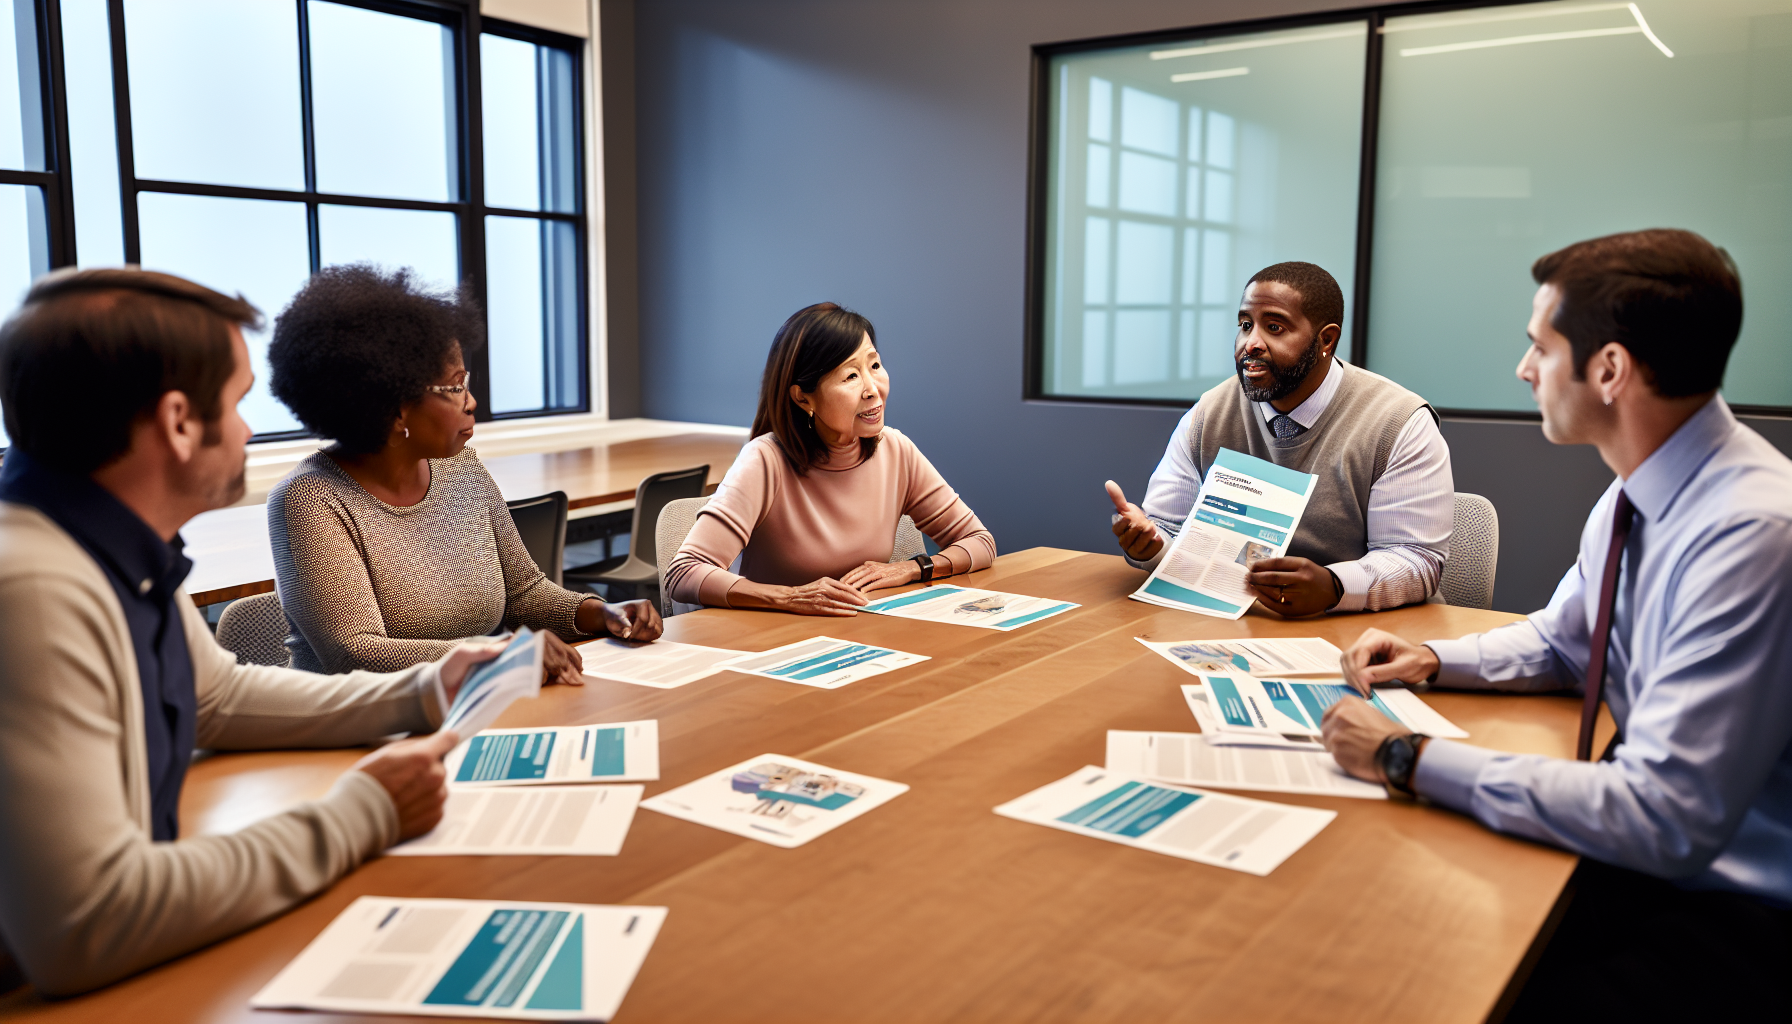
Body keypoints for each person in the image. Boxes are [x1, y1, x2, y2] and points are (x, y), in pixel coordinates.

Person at [1321, 229, 1792, 1020]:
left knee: (1432, 986)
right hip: (1653, 870)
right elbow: (1564, 639)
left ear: (1609, 370)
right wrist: (1431, 657)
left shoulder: (1753, 532)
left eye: (1540, 346)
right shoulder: (1636, 495)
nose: (1525, 370)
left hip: (1738, 912)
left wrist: (1407, 756)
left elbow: (1663, 815)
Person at [0, 268, 504, 995]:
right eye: (236, 404)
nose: (246, 428)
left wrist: (425, 688)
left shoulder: (101, 544)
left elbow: (218, 697)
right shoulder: (34, 588)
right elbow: (88, 921)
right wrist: (361, 814)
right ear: (179, 423)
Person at [265, 265, 660, 684]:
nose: (471, 402)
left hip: (468, 705)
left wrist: (601, 613)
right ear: (394, 404)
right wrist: (498, 652)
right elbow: (355, 653)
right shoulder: (309, 499)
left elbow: (523, 595)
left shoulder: (462, 467)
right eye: (455, 388)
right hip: (356, 731)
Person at [1107, 262, 1453, 616]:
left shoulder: (1398, 422)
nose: (1251, 344)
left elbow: (1415, 559)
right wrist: (1150, 545)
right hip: (1236, 619)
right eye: (1245, 325)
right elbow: (1168, 529)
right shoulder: (1210, 413)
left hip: (1363, 631)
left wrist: (1335, 586)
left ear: (1326, 340)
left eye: (1274, 327)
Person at [664, 302, 995, 614]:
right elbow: (683, 572)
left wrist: (913, 568)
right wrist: (790, 597)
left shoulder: (894, 449)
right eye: (851, 376)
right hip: (774, 641)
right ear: (803, 398)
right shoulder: (766, 460)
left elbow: (979, 541)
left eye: (875, 366)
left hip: (861, 635)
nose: (873, 389)